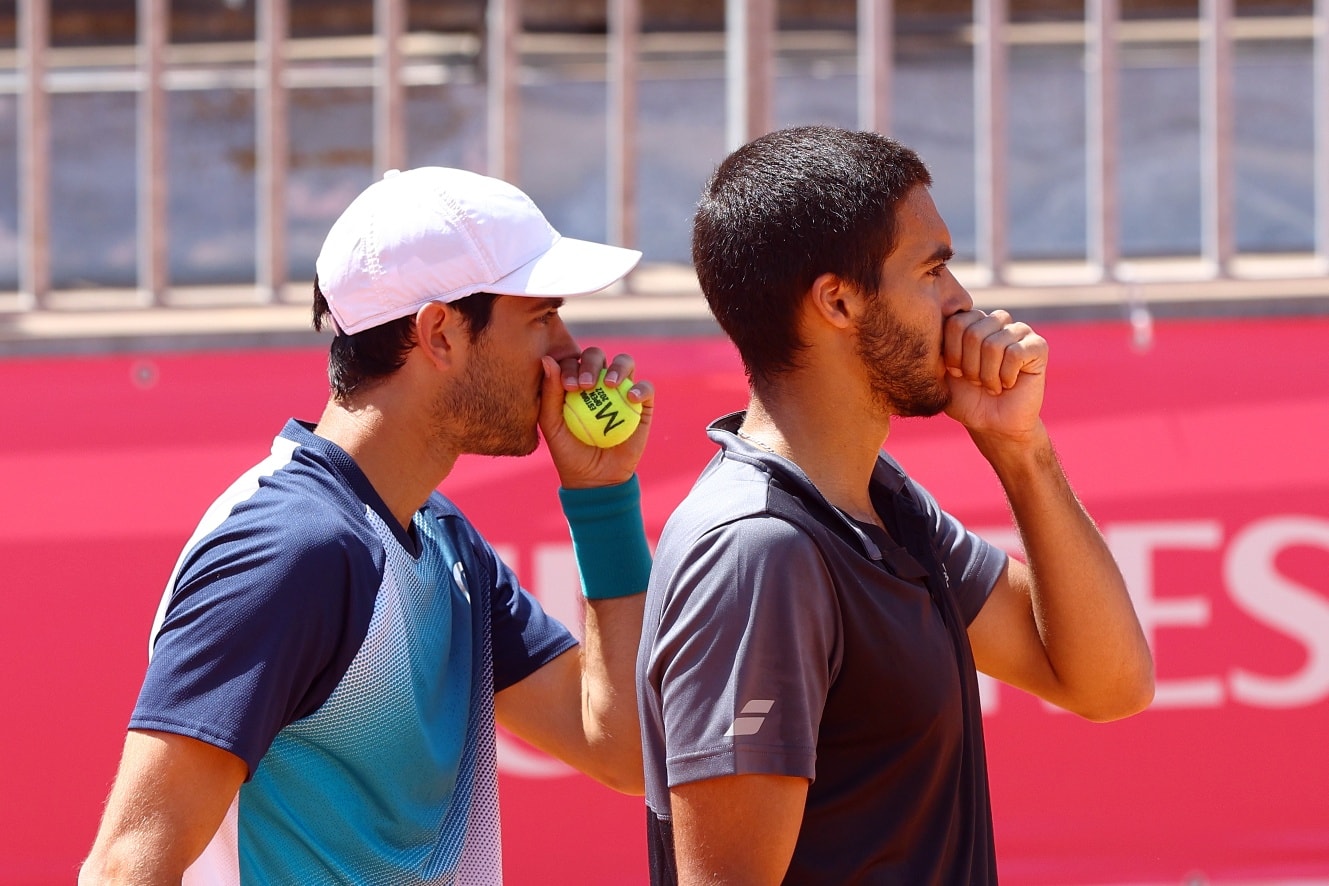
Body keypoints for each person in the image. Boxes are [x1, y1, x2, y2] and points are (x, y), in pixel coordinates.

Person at [80, 166, 655, 883]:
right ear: (439, 334)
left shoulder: (444, 540)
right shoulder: (290, 549)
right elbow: (128, 864)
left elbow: (626, 753)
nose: (569, 351)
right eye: (541, 316)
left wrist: (601, 497)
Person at [636, 125, 1155, 884]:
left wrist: (1019, 449)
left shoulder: (883, 505)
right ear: (838, 302)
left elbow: (1108, 685)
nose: (961, 302)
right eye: (933, 270)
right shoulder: (757, 549)